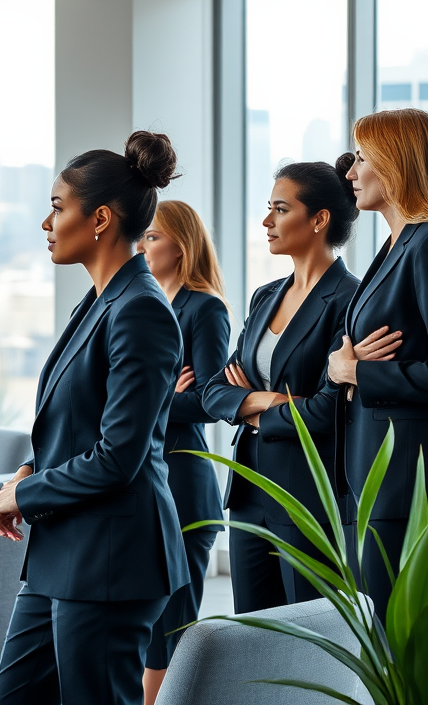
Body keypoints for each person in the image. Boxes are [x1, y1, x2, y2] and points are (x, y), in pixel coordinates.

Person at [0, 131, 190, 705]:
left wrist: (23, 498)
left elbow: (119, 455)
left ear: (99, 218)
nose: (46, 223)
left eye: (57, 207)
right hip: (62, 551)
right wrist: (29, 472)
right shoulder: (100, 299)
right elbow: (77, 422)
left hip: (110, 558)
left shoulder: (142, 311)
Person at [328, 108, 428, 620]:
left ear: (397, 164)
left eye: (361, 158)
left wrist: (358, 373)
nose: (350, 172)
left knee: (402, 653)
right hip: (379, 471)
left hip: (410, 478)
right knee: (380, 646)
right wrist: (340, 364)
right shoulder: (398, 243)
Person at [203, 156, 360, 613]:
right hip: (250, 491)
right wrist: (272, 399)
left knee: (308, 642)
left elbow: (327, 411)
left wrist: (248, 403)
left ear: (319, 219)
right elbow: (215, 388)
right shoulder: (266, 295)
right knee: (251, 635)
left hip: (308, 494)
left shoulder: (350, 300)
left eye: (280, 209)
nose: (267, 221)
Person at [136, 200, 229, 704]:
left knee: (173, 621)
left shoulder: (204, 308)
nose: (142, 245)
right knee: (146, 619)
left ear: (182, 245)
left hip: (184, 487)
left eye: (152, 237)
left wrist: (155, 400)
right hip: (143, 485)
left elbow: (212, 400)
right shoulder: (143, 301)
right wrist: (160, 393)